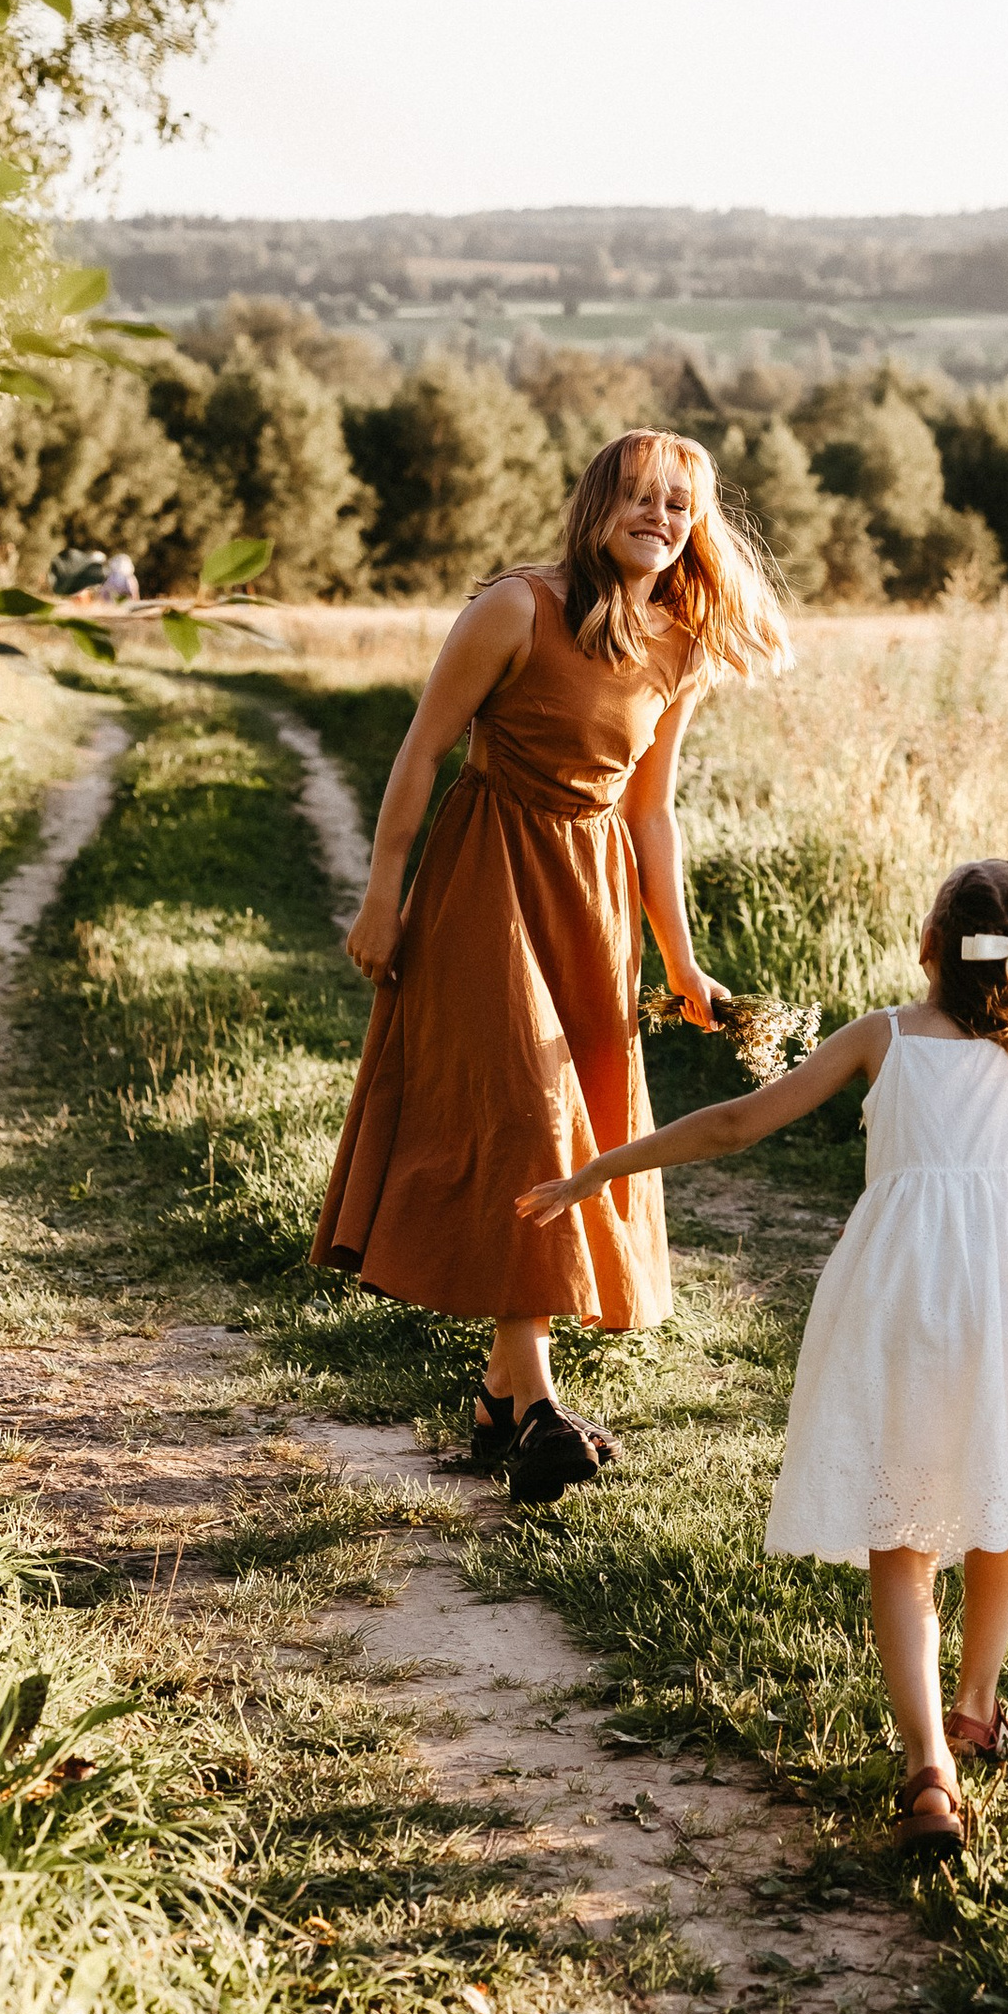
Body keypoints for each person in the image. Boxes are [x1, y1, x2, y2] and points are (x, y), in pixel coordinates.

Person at [518, 856, 1008, 1863]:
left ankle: (928, 1770)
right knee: (1003, 1491)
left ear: (927, 947)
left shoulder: (886, 1035)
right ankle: (978, 1707)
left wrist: (602, 1166)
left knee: (900, 1533)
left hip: (906, 1293)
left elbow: (737, 1124)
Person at [313, 431, 787, 1506]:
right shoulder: (515, 608)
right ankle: (532, 1406)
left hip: (593, 896)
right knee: (529, 1120)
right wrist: (381, 896)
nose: (660, 517)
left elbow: (652, 809)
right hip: (487, 874)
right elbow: (422, 748)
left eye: (680, 503)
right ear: (595, 503)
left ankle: (498, 1396)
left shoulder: (682, 643)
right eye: (639, 496)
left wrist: (681, 957)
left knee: (573, 1124)